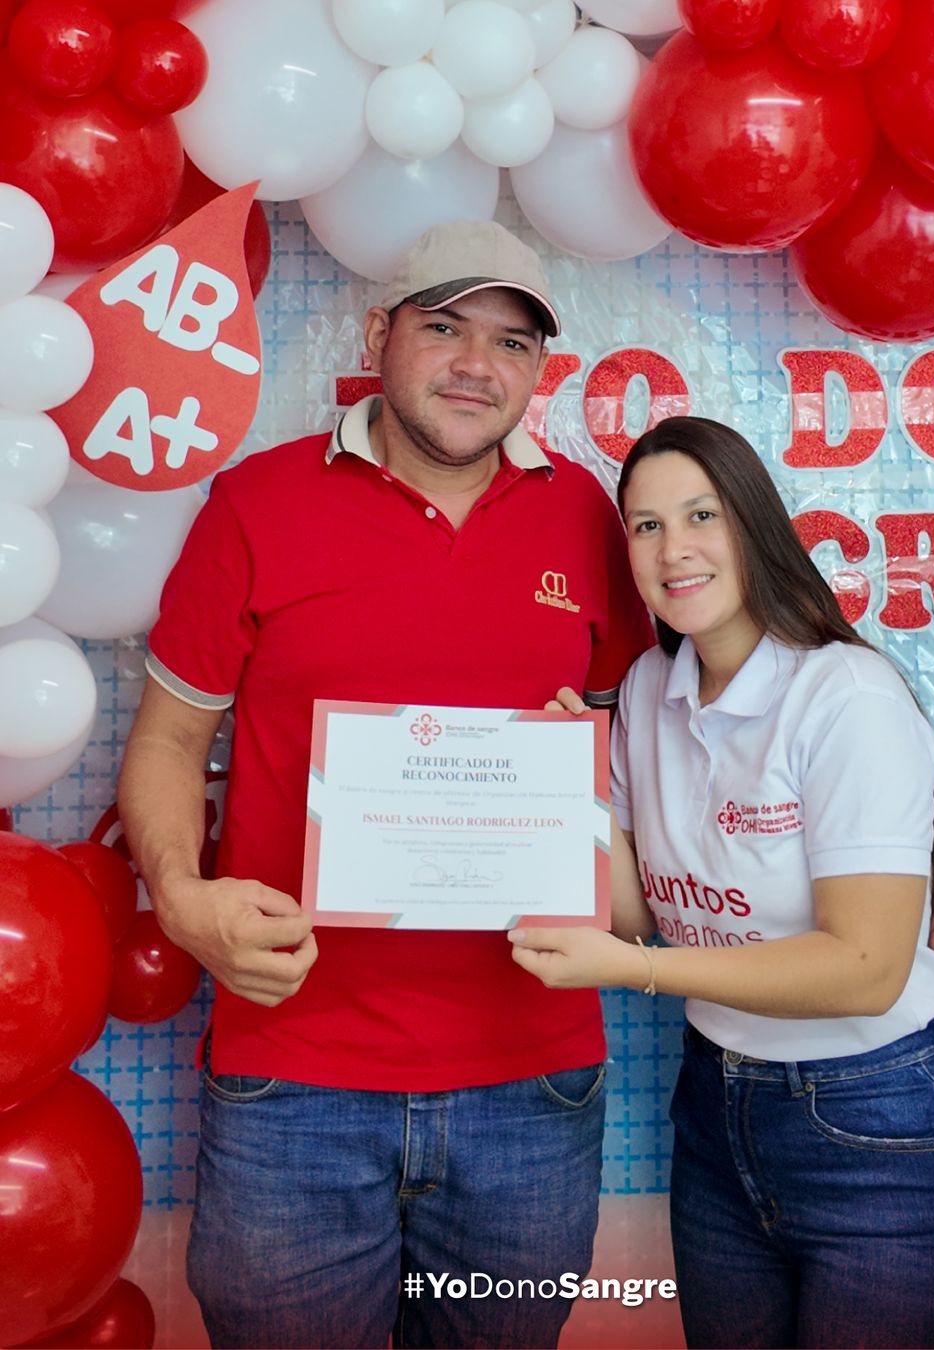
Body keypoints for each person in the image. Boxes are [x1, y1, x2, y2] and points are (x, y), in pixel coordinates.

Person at [117, 220, 654, 1350]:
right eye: (445, 327)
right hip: (293, 1081)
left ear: (539, 371)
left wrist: (589, 790)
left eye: (512, 343)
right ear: (380, 334)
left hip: (534, 1085)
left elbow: (645, 755)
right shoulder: (256, 505)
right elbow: (169, 742)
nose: (476, 365)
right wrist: (181, 896)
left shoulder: (592, 520)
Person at [509, 417, 934, 1349]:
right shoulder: (646, 693)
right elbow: (630, 915)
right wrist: (567, 785)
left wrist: (635, 972)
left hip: (877, 1121)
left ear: (754, 523)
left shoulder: (844, 696)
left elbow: (864, 967)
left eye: (701, 514)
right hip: (716, 1116)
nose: (674, 549)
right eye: (645, 526)